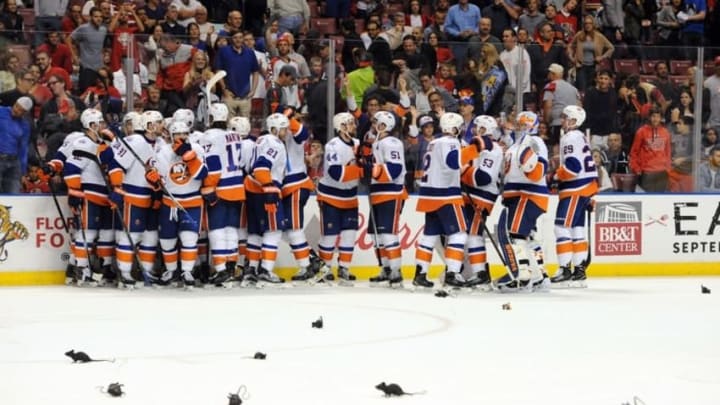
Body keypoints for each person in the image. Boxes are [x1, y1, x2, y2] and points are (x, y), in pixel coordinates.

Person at [412, 112, 478, 289]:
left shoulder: (433, 142)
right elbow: (452, 162)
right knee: (459, 234)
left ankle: (420, 274)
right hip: (446, 195)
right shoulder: (451, 141)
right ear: (456, 128)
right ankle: (452, 273)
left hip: (428, 194)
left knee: (430, 236)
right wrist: (475, 149)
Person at [107, 110, 164, 288]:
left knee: (150, 236)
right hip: (134, 195)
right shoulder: (136, 141)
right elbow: (116, 164)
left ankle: (145, 271)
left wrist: (157, 189)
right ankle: (124, 272)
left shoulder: (161, 143)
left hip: (151, 197)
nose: (163, 126)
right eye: (160, 122)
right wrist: (116, 187)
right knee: (130, 235)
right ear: (150, 125)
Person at [494, 110, 550, 290]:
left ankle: (522, 277)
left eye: (521, 123)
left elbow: (539, 170)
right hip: (520, 194)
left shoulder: (533, 141)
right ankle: (541, 275)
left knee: (515, 235)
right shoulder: (518, 143)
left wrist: (530, 169)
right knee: (529, 236)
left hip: (526, 194)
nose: (517, 125)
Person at [62, 108, 116, 286]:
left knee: (103, 234)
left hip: (104, 195)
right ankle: (82, 270)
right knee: (87, 233)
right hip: (90, 195)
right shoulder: (84, 143)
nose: (103, 126)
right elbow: (71, 168)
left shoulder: (101, 143)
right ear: (92, 125)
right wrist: (75, 194)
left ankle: (85, 267)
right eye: (100, 123)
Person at [310, 113, 363, 284]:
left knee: (349, 234)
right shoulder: (333, 146)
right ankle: (324, 268)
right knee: (330, 235)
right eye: (349, 123)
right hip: (331, 196)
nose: (353, 126)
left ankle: (344, 268)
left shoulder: (357, 144)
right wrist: (361, 170)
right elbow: (336, 173)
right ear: (341, 126)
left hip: (350, 196)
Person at [154, 120, 207, 289]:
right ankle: (171, 270)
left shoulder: (197, 149)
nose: (182, 137)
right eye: (178, 134)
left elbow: (202, 174)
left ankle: (187, 271)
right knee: (167, 239)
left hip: (192, 201)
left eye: (185, 134)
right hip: (170, 201)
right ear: (171, 136)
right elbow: (158, 177)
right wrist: (153, 178)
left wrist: (189, 157)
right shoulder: (163, 151)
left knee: (189, 238)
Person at [550, 106, 597, 287]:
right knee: (577, 230)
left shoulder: (569, 138)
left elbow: (572, 168)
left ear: (573, 121)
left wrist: (555, 176)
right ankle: (579, 271)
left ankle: (564, 270)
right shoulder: (581, 137)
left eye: (565, 117)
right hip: (586, 188)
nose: (562, 120)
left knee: (561, 228)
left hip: (574, 189)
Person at [243, 113, 290, 285]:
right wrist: (270, 189)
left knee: (255, 232)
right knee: (273, 231)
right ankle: (266, 270)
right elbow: (262, 166)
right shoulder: (274, 142)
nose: (285, 132)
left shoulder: (260, 140)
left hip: (252, 189)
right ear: (275, 129)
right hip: (265, 190)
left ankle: (251, 269)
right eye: (283, 129)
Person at [458, 115, 503, 289]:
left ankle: (480, 274)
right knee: (467, 234)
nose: (475, 130)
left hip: (482, 198)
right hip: (472, 196)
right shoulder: (477, 146)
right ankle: (475, 271)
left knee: (473, 235)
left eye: (479, 127)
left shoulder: (492, 149)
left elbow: (483, 177)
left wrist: (464, 171)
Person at [365, 111, 407, 287]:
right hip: (377, 193)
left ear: (384, 125)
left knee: (388, 234)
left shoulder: (391, 142)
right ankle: (386, 268)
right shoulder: (377, 142)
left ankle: (396, 270)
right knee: (377, 236)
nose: (374, 124)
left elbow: (395, 169)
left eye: (377, 122)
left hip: (391, 193)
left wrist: (371, 170)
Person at [215, 30, 260, 119]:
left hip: (245, 97)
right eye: (235, 38)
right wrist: (224, 89)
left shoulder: (250, 53)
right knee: (229, 126)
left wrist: (253, 90)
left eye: (240, 37)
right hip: (229, 96)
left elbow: (255, 71)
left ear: (243, 39)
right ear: (231, 39)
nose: (238, 40)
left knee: (244, 126)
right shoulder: (223, 51)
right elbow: (218, 71)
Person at [629, 109, 672, 192]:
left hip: (662, 171)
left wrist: (668, 168)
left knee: (661, 198)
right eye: (653, 116)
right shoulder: (641, 132)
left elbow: (668, 151)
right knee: (648, 199)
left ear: (661, 118)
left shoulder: (665, 132)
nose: (655, 119)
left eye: (658, 117)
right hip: (647, 172)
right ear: (649, 117)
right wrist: (636, 168)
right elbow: (634, 152)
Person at [68, 6, 108, 93]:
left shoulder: (104, 30)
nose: (99, 19)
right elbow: (69, 39)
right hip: (86, 68)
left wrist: (104, 56)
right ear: (90, 17)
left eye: (100, 17)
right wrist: (74, 56)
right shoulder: (83, 28)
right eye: (96, 16)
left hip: (100, 68)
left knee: (102, 94)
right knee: (85, 94)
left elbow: (102, 46)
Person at [0, 96, 33, 193]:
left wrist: (23, 172)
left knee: (14, 193)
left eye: (20, 110)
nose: (16, 110)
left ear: (25, 113)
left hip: (14, 162)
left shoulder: (25, 125)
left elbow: (23, 148)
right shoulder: (1, 112)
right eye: (16, 106)